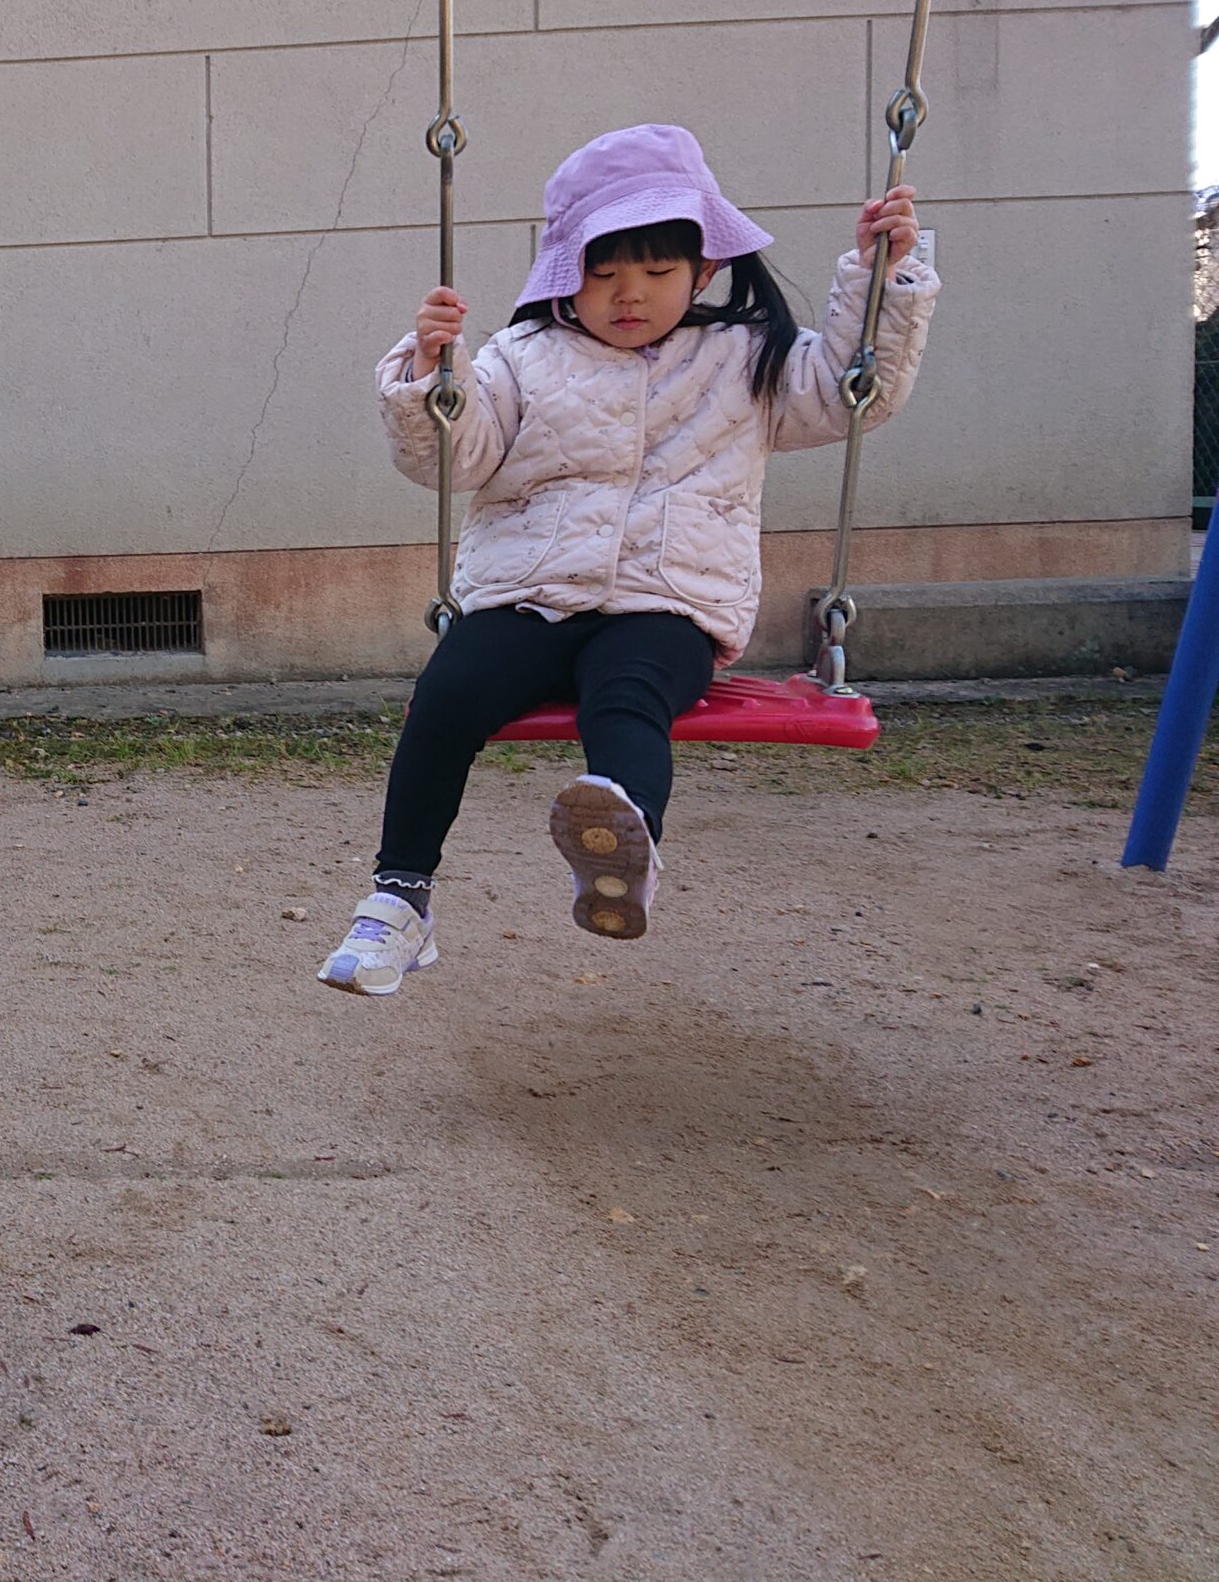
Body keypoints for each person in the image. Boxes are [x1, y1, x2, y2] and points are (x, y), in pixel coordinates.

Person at [319, 124, 934, 996]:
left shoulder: (746, 358)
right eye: (604, 274)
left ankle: (621, 837)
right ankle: (399, 899)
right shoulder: (518, 359)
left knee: (630, 696)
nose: (629, 294)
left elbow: (849, 389)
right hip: (528, 593)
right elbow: (453, 462)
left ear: (705, 271)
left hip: (668, 601)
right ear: (568, 273)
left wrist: (882, 279)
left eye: (655, 272)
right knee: (448, 695)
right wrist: (430, 378)